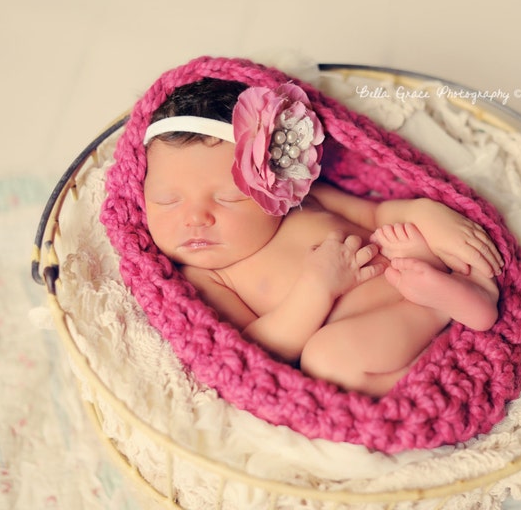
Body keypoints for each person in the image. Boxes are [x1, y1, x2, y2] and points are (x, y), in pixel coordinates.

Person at [142, 78, 502, 396]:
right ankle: (447, 307)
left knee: (417, 235)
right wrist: (318, 287)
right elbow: (259, 346)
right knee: (325, 360)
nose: (194, 218)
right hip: (374, 332)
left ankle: (460, 288)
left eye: (228, 198)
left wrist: (425, 212)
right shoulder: (206, 276)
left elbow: (375, 213)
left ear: (275, 183)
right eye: (166, 201)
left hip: (409, 265)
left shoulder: (304, 201)